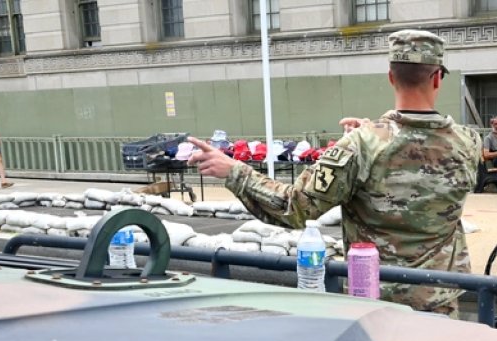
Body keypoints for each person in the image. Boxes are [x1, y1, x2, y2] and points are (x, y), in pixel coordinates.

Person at [189, 29, 480, 315]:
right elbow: (418, 159)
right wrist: (370, 136)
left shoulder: (361, 145)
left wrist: (234, 171)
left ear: (391, 77)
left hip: (378, 304)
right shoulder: (469, 142)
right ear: (438, 78)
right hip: (441, 302)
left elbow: (295, 208)